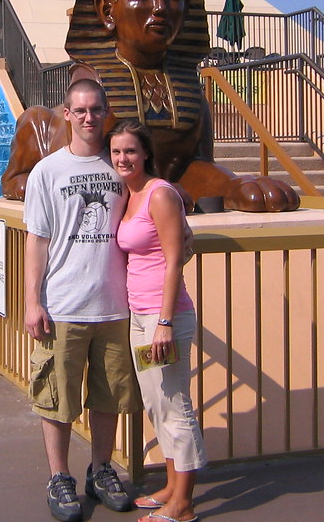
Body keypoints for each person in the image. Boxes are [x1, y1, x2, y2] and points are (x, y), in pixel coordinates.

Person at [2, 0, 299, 214]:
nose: (161, 8)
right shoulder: (93, 93)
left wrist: (232, 185)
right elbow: (90, 168)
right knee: (36, 117)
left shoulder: (190, 93)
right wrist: (154, 189)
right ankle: (17, 175)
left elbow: (192, 166)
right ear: (107, 10)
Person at [24, 78, 137, 522]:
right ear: (67, 115)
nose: (89, 118)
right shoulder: (47, 171)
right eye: (81, 110)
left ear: (106, 112)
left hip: (114, 306)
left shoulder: (122, 166)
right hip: (64, 305)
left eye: (97, 109)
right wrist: (33, 302)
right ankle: (59, 477)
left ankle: (101, 469)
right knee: (58, 398)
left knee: (110, 397)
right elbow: (37, 240)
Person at [108, 118, 206, 522]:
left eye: (130, 150)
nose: (123, 158)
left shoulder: (159, 194)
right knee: (156, 402)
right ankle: (170, 485)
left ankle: (183, 503)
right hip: (141, 315)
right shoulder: (128, 194)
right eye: (116, 151)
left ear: (146, 152)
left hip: (165, 319)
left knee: (174, 403)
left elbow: (173, 262)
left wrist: (164, 323)